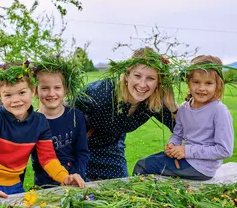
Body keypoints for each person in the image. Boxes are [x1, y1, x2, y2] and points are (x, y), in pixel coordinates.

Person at [0, 61, 85, 204]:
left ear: (33, 91)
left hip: (14, 185)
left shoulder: (40, 122)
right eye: (8, 95)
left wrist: (65, 178)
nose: (16, 100)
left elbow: (48, 159)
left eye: (22, 92)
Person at [76, 47, 178, 180]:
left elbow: (186, 131)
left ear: (158, 82)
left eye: (151, 78)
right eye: (137, 76)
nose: (142, 84)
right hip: (80, 150)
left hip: (112, 151)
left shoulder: (154, 102)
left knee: (119, 191)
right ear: (127, 75)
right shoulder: (99, 93)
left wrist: (172, 106)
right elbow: (63, 117)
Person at [133, 55, 234, 180]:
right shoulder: (184, 108)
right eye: (196, 82)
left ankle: (137, 198)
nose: (201, 88)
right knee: (147, 163)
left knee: (142, 166)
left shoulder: (219, 111)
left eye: (208, 83)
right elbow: (177, 134)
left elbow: (224, 150)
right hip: (185, 159)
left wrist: (186, 150)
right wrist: (172, 145)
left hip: (201, 167)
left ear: (218, 85)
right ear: (188, 83)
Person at [31, 54, 90, 187]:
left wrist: (75, 175)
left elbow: (82, 152)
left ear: (66, 90)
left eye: (57, 88)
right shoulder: (32, 122)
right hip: (45, 185)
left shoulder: (75, 116)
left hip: (75, 180)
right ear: (35, 91)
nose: (51, 93)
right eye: (45, 88)